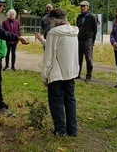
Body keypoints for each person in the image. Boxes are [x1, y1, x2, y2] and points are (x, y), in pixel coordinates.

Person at [34, 8, 79, 137]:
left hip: (57, 74)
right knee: (70, 100)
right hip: (70, 72)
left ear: (53, 19)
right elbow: (59, 46)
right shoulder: (73, 31)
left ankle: (60, 130)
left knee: (56, 102)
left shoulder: (54, 32)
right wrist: (43, 40)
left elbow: (48, 56)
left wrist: (45, 76)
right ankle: (72, 129)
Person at [76, 1, 97, 81]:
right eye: (81, 6)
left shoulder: (91, 17)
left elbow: (95, 29)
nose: (82, 8)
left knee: (88, 58)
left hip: (88, 39)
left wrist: (93, 40)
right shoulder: (79, 17)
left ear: (88, 7)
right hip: (80, 39)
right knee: (78, 58)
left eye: (84, 6)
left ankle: (89, 75)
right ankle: (77, 73)